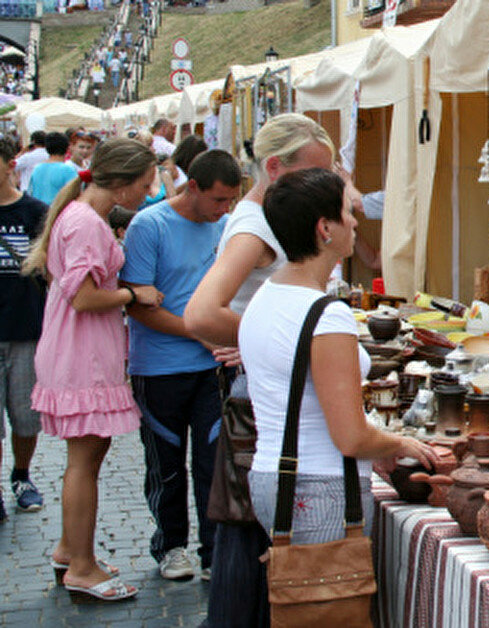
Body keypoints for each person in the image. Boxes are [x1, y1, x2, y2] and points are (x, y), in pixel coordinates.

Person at [184, 113, 339, 628]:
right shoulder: (258, 227)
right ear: (274, 167)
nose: (328, 184)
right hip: (265, 404)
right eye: (317, 173)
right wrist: (265, 339)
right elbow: (202, 313)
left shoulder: (265, 214)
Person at [242, 168, 434, 545]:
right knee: (332, 601)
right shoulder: (325, 314)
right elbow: (349, 437)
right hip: (319, 489)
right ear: (324, 229)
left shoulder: (266, 296)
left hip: (276, 475)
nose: (354, 221)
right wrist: (400, 444)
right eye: (347, 212)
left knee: (306, 599)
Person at [21, 138, 163, 602]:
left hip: (80, 349)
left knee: (89, 457)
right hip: (82, 353)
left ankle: (72, 548)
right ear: (122, 186)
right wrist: (131, 295)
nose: (147, 193)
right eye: (144, 185)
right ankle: (81, 566)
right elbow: (83, 297)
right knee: (83, 462)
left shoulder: (82, 215)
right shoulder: (85, 223)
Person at [120, 150, 241, 582]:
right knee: (166, 464)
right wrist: (199, 331)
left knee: (213, 461)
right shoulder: (149, 226)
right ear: (193, 187)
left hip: (211, 368)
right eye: (218, 200)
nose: (223, 209)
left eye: (230, 201)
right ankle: (170, 545)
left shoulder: (225, 228)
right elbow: (139, 304)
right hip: (159, 368)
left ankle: (213, 551)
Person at [0, 136, 49, 520]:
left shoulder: (35, 212)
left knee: (24, 415)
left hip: (25, 327)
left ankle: (22, 475)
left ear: (10, 165)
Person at [27, 132, 78, 206]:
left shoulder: (37, 168)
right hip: (59, 213)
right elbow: (75, 195)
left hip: (38, 211)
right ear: (67, 148)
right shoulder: (68, 170)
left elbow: (30, 192)